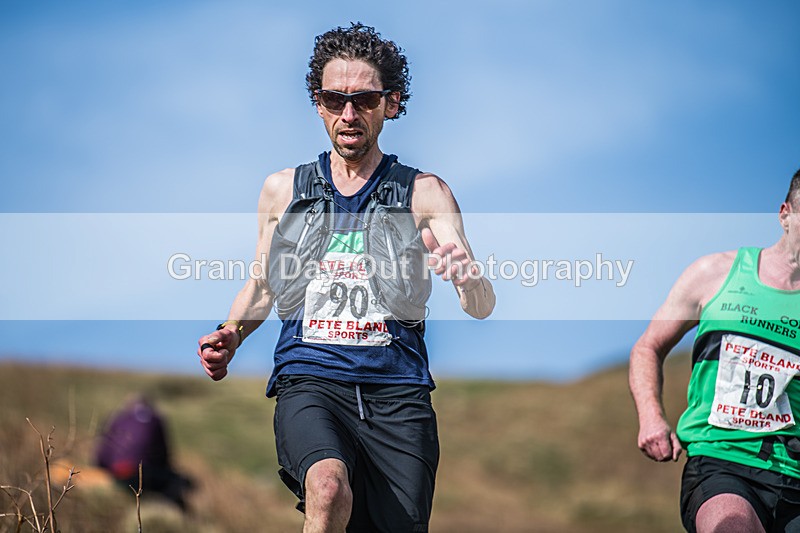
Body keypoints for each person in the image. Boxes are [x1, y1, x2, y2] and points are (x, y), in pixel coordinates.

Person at [197, 23, 495, 533]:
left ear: (392, 104)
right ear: (318, 103)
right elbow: (264, 285)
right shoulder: (283, 189)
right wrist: (231, 332)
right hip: (311, 379)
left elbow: (481, 303)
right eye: (335, 100)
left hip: (398, 396)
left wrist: (467, 279)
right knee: (328, 486)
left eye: (365, 99)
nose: (349, 114)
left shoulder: (424, 193)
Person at [629, 169, 800, 532]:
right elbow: (648, 347)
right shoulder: (715, 273)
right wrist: (651, 417)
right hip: (722, 460)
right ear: (784, 213)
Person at [95, 395, 192, 510]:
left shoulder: (118, 418)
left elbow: (104, 450)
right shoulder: (156, 419)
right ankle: (173, 517)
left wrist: (101, 468)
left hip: (117, 471)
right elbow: (163, 451)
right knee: (177, 484)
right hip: (145, 471)